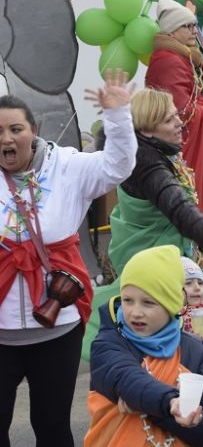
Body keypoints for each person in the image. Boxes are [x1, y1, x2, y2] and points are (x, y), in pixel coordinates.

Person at [0, 72, 135, 447]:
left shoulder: (68, 167)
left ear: (34, 130)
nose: (7, 139)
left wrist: (118, 115)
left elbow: (118, 166)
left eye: (15, 129)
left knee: (52, 427)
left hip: (57, 328)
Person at [84, 89, 203, 360]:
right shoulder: (146, 164)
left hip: (162, 263)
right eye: (168, 120)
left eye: (176, 115)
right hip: (160, 270)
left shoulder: (150, 155)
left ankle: (181, 387)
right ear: (148, 131)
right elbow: (178, 207)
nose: (179, 122)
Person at [85, 245, 203, 447]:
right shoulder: (108, 343)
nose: (135, 312)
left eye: (148, 303)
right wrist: (170, 403)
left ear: (172, 304)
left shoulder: (194, 350)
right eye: (128, 300)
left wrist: (169, 412)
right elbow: (127, 378)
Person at [145, 0, 203, 220]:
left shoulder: (180, 56)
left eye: (194, 25)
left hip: (176, 142)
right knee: (184, 197)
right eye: (187, 26)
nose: (194, 31)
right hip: (176, 145)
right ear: (171, 31)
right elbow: (181, 112)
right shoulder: (169, 60)